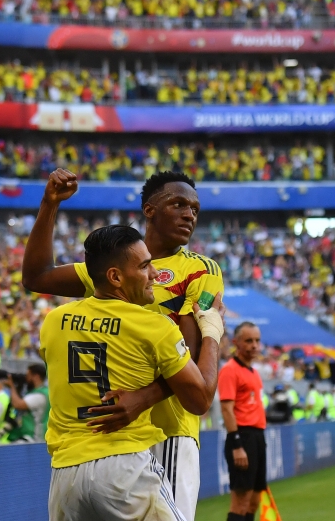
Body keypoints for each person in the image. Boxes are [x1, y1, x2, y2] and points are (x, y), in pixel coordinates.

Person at [23, 169, 224, 521]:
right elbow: (37, 276)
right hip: (107, 437)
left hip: (168, 429)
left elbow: (192, 356)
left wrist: (142, 399)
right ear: (150, 209)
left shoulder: (201, 270)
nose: (189, 214)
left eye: (194, 208)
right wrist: (49, 205)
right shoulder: (119, 263)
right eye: (178, 204)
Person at [218, 322, 267, 521]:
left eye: (257, 340)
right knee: (241, 501)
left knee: (254, 500)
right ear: (236, 342)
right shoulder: (230, 370)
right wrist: (237, 444)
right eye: (249, 341)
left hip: (257, 436)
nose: (254, 345)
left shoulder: (253, 372)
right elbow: (226, 409)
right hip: (242, 437)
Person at [6, 363, 50, 442]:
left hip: (33, 438)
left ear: (36, 376)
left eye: (28, 375)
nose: (26, 378)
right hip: (36, 437)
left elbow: (18, 404)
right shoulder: (43, 392)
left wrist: (11, 386)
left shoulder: (39, 394)